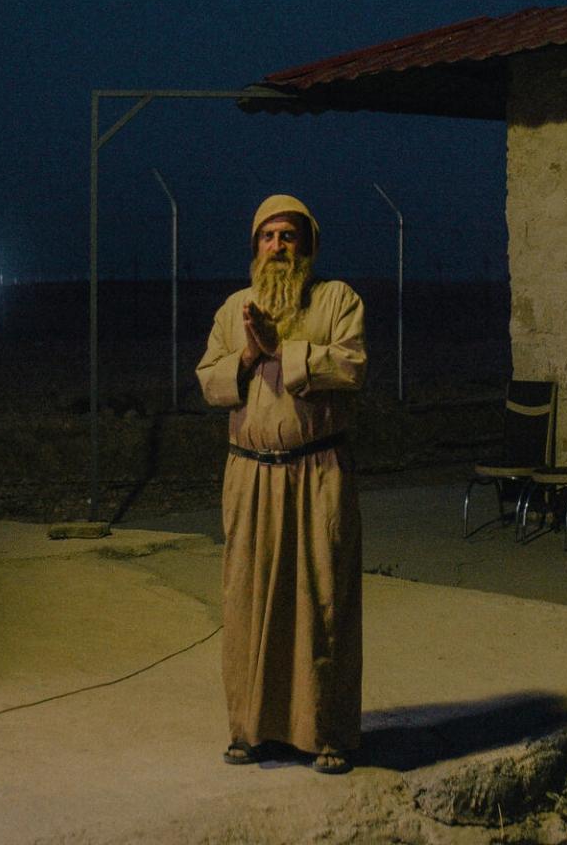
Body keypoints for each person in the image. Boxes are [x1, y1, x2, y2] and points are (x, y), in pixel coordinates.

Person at [195, 194, 366, 775]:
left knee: (321, 603)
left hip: (317, 475)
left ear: (308, 246)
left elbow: (350, 367)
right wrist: (248, 352)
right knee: (248, 601)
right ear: (254, 248)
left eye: (288, 236)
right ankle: (251, 729)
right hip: (249, 476)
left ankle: (327, 734)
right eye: (267, 237)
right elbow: (209, 381)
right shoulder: (233, 308)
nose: (277, 247)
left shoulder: (337, 299)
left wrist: (283, 350)